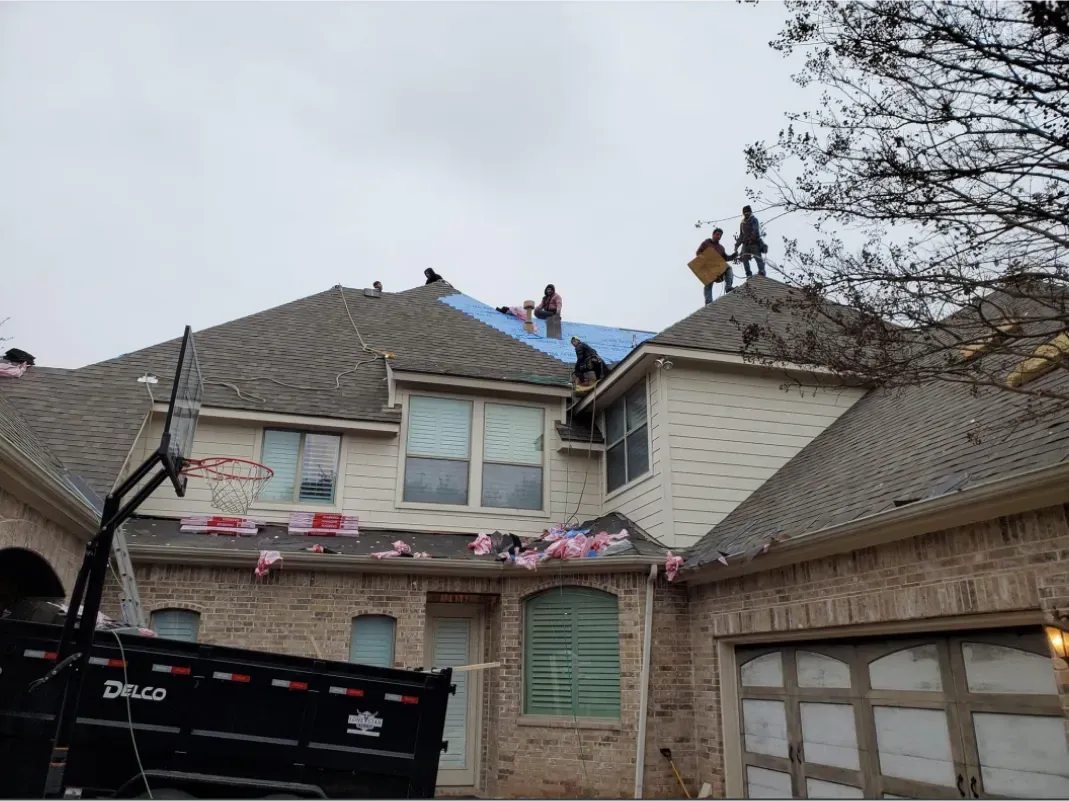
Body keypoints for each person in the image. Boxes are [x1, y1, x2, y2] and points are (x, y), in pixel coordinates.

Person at [696, 228, 736, 303]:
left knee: (728, 268)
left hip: (717, 268)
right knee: (708, 283)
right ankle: (709, 303)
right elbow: (698, 252)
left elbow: (725, 258)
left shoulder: (721, 248)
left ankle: (728, 287)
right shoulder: (706, 243)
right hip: (708, 267)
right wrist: (705, 261)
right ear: (713, 234)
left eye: (720, 235)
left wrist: (734, 256)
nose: (719, 236)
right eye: (717, 234)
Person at [738, 205, 767, 278]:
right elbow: (741, 235)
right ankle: (748, 273)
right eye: (744, 212)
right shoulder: (742, 223)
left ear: (750, 212)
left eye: (747, 212)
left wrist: (751, 239)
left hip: (754, 243)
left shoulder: (754, 220)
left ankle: (762, 271)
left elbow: (755, 230)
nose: (745, 214)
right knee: (744, 258)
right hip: (745, 244)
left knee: (758, 257)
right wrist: (737, 245)